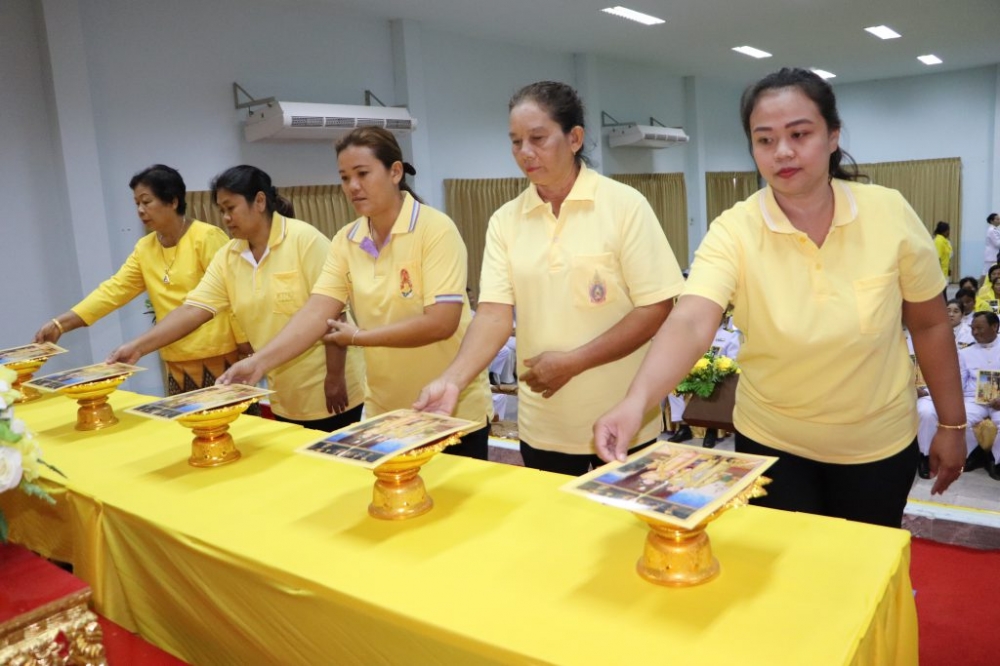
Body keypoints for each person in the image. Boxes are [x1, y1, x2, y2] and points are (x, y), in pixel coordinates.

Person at [594, 68, 965, 528]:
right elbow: (691, 320)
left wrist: (951, 424)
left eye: (799, 134)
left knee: (859, 578)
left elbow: (929, 324)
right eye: (764, 140)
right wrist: (637, 400)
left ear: (832, 136)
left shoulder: (889, 212)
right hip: (772, 444)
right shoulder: (735, 228)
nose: (782, 152)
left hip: (877, 447)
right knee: (789, 580)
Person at [414, 80, 685, 475]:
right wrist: (452, 380)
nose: (525, 153)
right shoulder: (506, 221)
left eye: (538, 138)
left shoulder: (624, 205)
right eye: (515, 141)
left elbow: (656, 307)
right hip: (543, 426)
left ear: (574, 138)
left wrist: (574, 361)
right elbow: (492, 315)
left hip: (625, 419)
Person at [216, 129, 493, 458]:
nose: (353, 186)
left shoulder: (435, 229)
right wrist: (259, 363)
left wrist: (360, 337)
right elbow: (318, 311)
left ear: (394, 172)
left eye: (362, 174)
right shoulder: (346, 239)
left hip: (450, 411)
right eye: (345, 177)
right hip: (387, 411)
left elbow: (441, 323)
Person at [107, 165, 364, 431]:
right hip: (283, 392)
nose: (226, 218)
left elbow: (334, 314)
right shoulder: (229, 256)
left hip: (331, 385)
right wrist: (138, 347)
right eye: (222, 210)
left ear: (260, 201)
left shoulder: (305, 240)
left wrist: (335, 378)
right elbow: (193, 309)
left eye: (231, 208)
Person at [34, 165, 244, 394]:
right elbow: (113, 291)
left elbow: (235, 292)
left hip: (221, 354)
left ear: (173, 201)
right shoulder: (145, 248)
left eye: (147, 201)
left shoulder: (207, 237)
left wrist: (245, 342)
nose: (141, 210)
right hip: (174, 357)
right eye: (137, 204)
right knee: (187, 427)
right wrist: (60, 324)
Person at [956, 312, 1000, 480]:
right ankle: (971, 455)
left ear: (994, 326)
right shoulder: (965, 353)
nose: (975, 332)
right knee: (960, 419)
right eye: (972, 328)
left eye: (979, 328)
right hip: (974, 400)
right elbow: (961, 381)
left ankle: (995, 460)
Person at [984, 213, 1000, 277]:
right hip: (992, 256)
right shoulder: (992, 230)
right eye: (997, 219)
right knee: (987, 274)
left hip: (994, 256)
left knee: (988, 273)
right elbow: (997, 243)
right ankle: (980, 286)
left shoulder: (995, 230)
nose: (999, 220)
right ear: (991, 221)